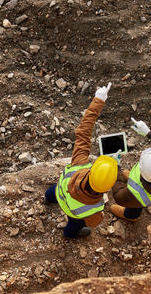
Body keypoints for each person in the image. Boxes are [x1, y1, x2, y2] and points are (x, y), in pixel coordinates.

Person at [44, 83, 118, 238]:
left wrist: (99, 100)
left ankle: (48, 198)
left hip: (60, 192)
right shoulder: (95, 207)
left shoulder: (80, 164)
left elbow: (83, 131)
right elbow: (93, 223)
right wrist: (101, 217)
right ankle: (69, 235)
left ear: (92, 170)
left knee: (52, 192)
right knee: (74, 226)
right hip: (73, 213)